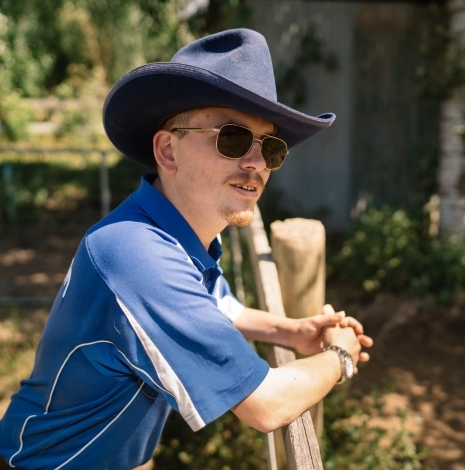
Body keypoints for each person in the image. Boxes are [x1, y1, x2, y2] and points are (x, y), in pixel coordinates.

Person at [0, 28, 373, 470]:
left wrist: (290, 331)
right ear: (168, 150)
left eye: (271, 148)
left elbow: (220, 307)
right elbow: (267, 405)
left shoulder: (174, 231)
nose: (257, 163)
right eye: (232, 138)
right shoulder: (138, 255)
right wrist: (340, 356)